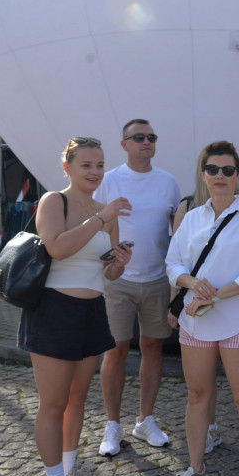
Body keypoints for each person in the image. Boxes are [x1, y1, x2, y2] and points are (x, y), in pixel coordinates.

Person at [19, 137, 132, 476]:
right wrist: (100, 219)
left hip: (92, 311)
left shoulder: (107, 211)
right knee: (53, 403)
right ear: (67, 166)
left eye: (100, 165)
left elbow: (109, 273)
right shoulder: (56, 201)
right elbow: (56, 248)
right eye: (86, 165)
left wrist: (121, 261)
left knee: (78, 399)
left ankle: (67, 474)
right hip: (54, 310)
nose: (95, 172)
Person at [164, 141, 239, 476]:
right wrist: (193, 284)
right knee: (197, 396)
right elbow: (172, 262)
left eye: (228, 170)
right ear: (204, 173)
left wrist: (213, 294)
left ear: (238, 175)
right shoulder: (192, 218)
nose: (220, 176)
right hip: (196, 321)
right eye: (213, 169)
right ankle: (196, 470)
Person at [95, 119, 181, 457]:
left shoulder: (168, 182)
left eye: (152, 137)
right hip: (118, 278)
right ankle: (112, 424)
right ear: (124, 144)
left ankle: (145, 419)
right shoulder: (109, 180)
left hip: (158, 277)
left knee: (152, 348)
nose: (147, 142)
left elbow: (179, 230)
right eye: (140, 137)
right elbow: (97, 225)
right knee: (114, 350)